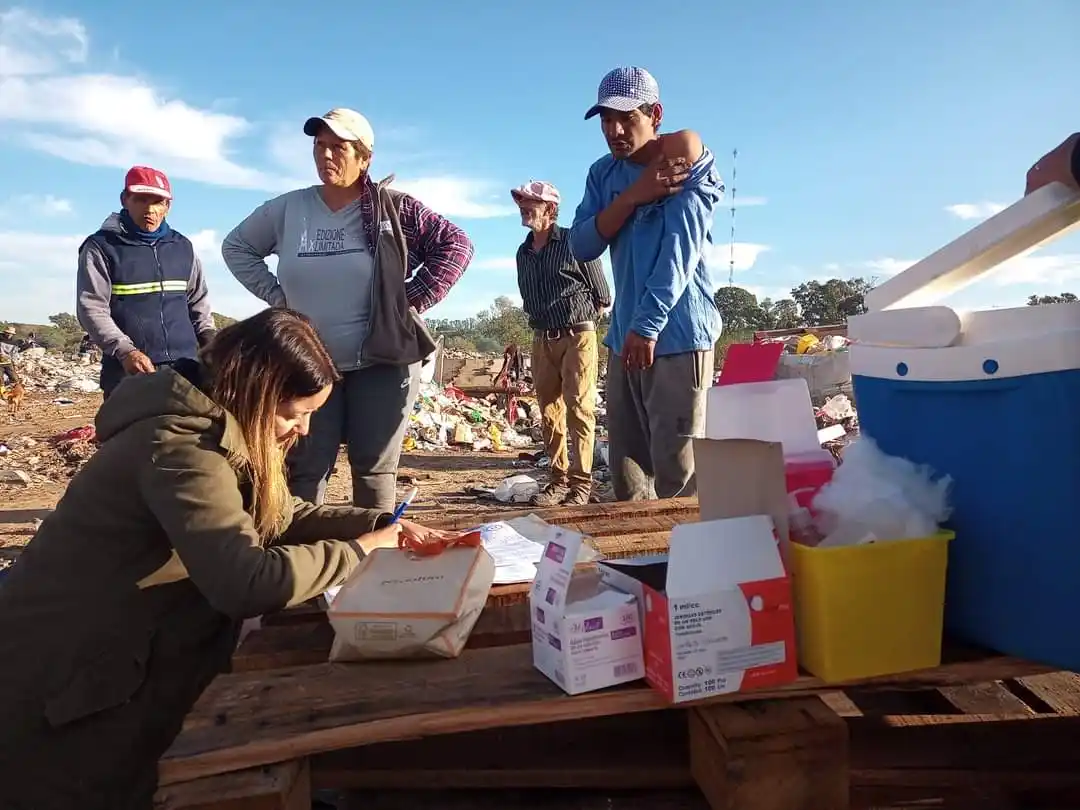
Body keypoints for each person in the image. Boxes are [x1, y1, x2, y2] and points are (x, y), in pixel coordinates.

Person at [0, 308, 454, 809]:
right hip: (66, 680)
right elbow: (247, 583)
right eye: (294, 413)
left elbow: (277, 515)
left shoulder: (217, 431)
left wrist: (374, 525)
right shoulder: (180, 449)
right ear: (255, 392)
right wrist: (358, 553)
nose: (303, 430)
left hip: (116, 663)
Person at [222, 108, 474, 513]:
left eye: (339, 147)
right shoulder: (289, 210)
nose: (326, 156)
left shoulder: (392, 208)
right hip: (308, 368)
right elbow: (236, 247)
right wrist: (277, 297)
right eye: (320, 146)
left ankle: (373, 563)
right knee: (303, 471)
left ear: (365, 158)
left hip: (381, 363)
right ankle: (303, 564)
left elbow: (457, 245)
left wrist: (409, 300)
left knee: (374, 473)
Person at [570, 66, 726, 501]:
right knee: (628, 469)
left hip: (676, 337)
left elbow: (680, 252)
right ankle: (637, 565)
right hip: (623, 339)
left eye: (627, 118)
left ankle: (688, 564)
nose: (615, 130)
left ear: (655, 114)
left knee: (679, 471)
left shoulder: (686, 164)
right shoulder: (603, 175)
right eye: (605, 120)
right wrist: (634, 195)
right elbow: (581, 245)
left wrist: (648, 324)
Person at [76, 165, 217, 400]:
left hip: (188, 371)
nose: (150, 209)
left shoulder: (183, 247)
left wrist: (212, 342)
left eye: (158, 202)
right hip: (130, 372)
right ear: (125, 200)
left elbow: (198, 303)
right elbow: (91, 308)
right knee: (135, 437)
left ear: (167, 207)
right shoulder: (101, 247)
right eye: (141, 199)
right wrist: (125, 351)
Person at [511, 180, 611, 506]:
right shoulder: (523, 252)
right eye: (522, 202)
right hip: (542, 338)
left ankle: (581, 486)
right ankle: (557, 481)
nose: (525, 207)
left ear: (550, 210)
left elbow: (602, 294)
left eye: (532, 202)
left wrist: (578, 320)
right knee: (549, 411)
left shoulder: (573, 241)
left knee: (579, 409)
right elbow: (528, 297)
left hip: (577, 336)